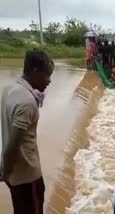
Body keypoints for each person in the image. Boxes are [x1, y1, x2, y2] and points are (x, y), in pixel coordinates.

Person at [0, 49, 54, 214]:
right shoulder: (27, 102)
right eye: (46, 75)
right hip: (27, 176)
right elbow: (14, 143)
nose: (49, 81)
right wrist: (5, 170)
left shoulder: (10, 89)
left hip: (16, 176)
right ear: (35, 71)